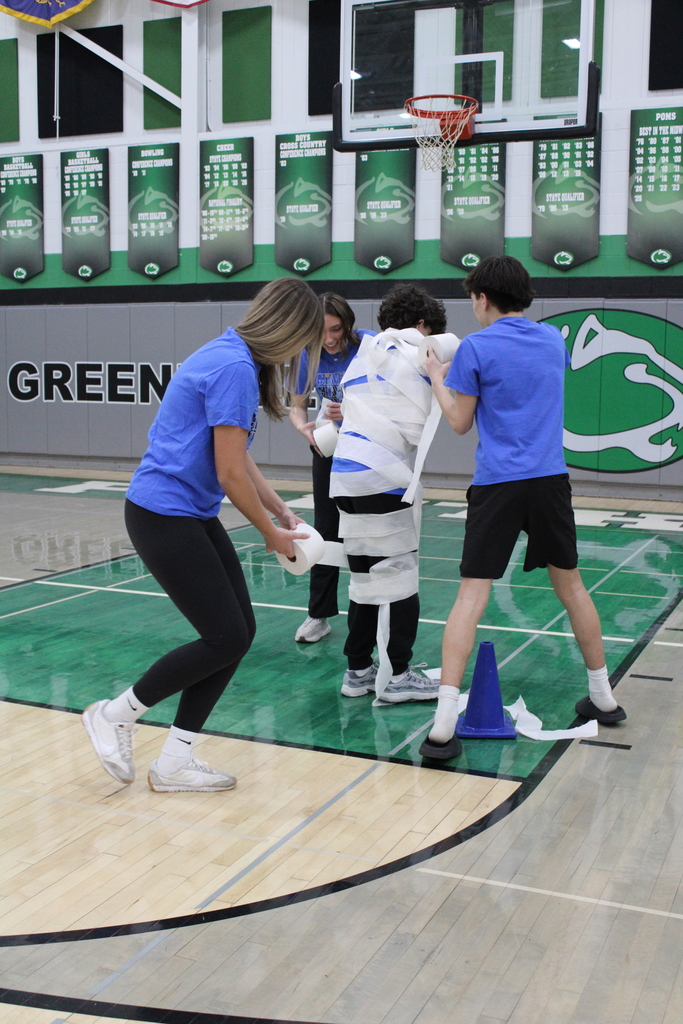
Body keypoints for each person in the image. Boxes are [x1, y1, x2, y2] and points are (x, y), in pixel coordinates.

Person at [82, 278, 324, 792]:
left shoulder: (234, 355)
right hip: (161, 514)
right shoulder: (235, 368)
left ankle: (174, 763)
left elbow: (238, 456)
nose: (300, 354)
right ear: (287, 330)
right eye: (303, 341)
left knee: (238, 634)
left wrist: (279, 507)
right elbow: (229, 474)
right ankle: (115, 714)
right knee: (225, 636)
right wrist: (270, 534)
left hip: (187, 512)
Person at [424, 256, 626, 757]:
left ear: (483, 298)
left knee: (472, 595)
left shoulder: (474, 347)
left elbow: (459, 422)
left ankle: (444, 725)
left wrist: (436, 377)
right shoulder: (552, 341)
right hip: (550, 481)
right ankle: (603, 696)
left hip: (498, 484)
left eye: (472, 298)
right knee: (572, 586)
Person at [330, 283, 451, 704]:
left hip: (345, 476)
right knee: (399, 575)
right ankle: (398, 674)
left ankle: (358, 669)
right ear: (420, 326)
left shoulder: (365, 354)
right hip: (383, 477)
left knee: (364, 576)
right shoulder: (415, 350)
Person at [288, 294, 375, 644]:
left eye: (336, 329)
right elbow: (296, 406)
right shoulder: (307, 355)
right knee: (326, 528)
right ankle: (319, 615)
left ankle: (370, 607)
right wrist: (302, 426)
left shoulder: (369, 345)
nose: (330, 338)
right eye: (322, 331)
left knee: (366, 528)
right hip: (327, 446)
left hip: (368, 447)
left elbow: (388, 395)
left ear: (348, 324)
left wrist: (354, 410)